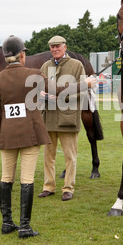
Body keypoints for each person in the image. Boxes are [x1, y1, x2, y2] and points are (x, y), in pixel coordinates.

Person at [0, 35, 95, 238]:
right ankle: (25, 226)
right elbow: (60, 89)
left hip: (8, 135)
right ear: (21, 55)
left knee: (6, 178)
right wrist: (85, 84)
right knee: (26, 179)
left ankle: (7, 222)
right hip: (30, 134)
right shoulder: (35, 74)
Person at [38, 35, 87, 201]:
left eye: (57, 46)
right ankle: (48, 186)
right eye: (52, 47)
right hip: (49, 119)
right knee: (48, 156)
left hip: (68, 119)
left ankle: (68, 188)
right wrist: (41, 94)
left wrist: (61, 98)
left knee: (70, 157)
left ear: (65, 47)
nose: (55, 49)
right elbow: (38, 88)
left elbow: (83, 91)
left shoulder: (76, 65)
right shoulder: (45, 66)